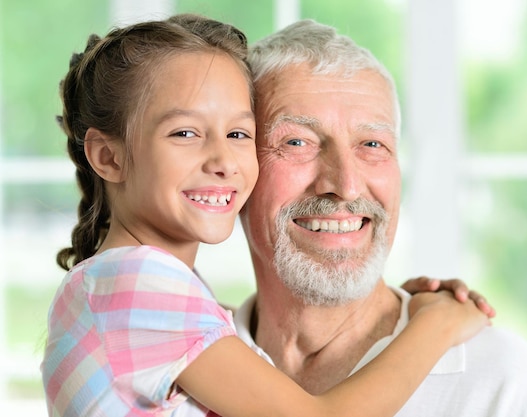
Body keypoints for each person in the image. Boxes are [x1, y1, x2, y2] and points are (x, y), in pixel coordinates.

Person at [41, 14, 491, 417]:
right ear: (108, 157)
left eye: (238, 133)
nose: (223, 160)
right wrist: (435, 322)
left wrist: (396, 307)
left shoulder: (143, 293)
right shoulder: (137, 284)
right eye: (185, 132)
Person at [234, 19, 527, 416]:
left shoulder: (503, 383)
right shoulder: (181, 370)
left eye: (372, 144)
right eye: (297, 142)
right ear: (233, 168)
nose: (346, 185)